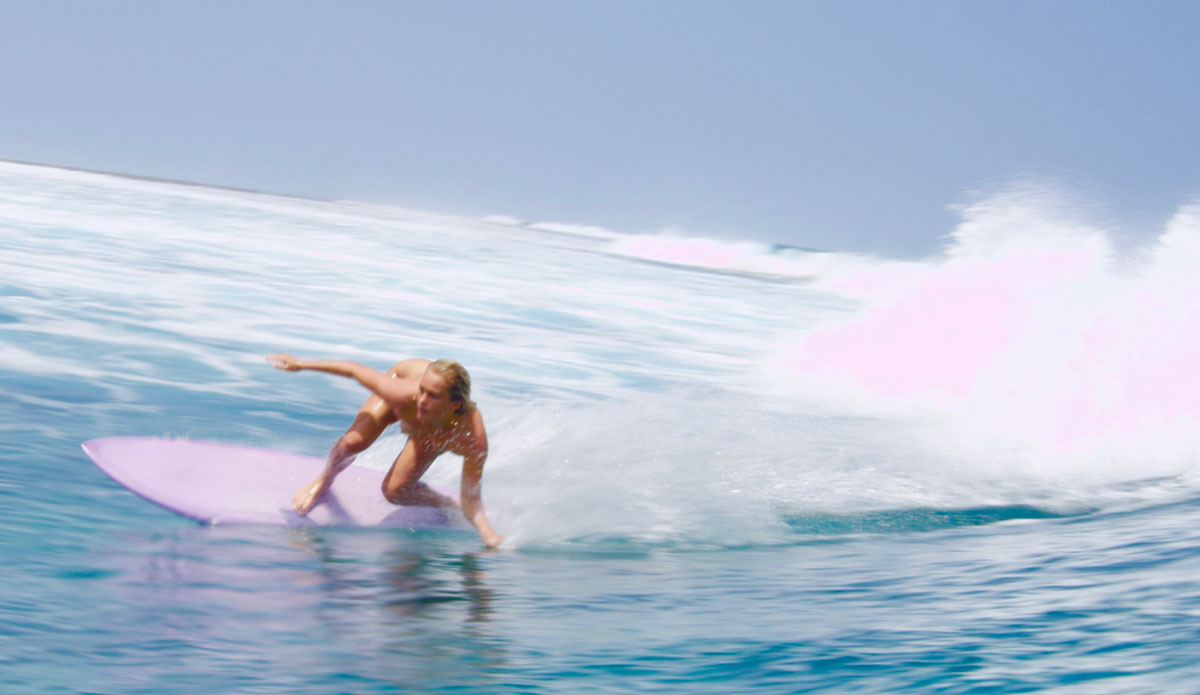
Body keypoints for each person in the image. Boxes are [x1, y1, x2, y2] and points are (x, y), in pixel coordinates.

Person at [266, 354, 504, 547]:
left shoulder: (472, 439)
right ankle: (323, 480)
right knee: (353, 442)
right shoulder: (403, 392)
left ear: (455, 405)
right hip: (404, 391)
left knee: (394, 492)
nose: (421, 400)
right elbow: (354, 369)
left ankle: (443, 501)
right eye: (422, 390)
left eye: (432, 396)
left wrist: (488, 533)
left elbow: (471, 498)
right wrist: (301, 364)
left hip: (433, 428)